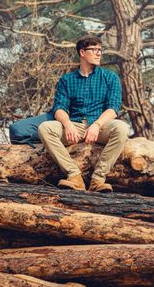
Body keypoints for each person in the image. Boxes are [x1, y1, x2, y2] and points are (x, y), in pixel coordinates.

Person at [38, 35, 129, 192]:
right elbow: (59, 108)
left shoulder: (110, 78)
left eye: (100, 50)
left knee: (121, 128)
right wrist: (67, 125)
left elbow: (113, 108)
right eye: (94, 50)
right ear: (82, 52)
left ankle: (98, 180)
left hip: (100, 126)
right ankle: (74, 176)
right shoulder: (67, 80)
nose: (99, 53)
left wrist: (96, 125)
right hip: (75, 125)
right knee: (45, 128)